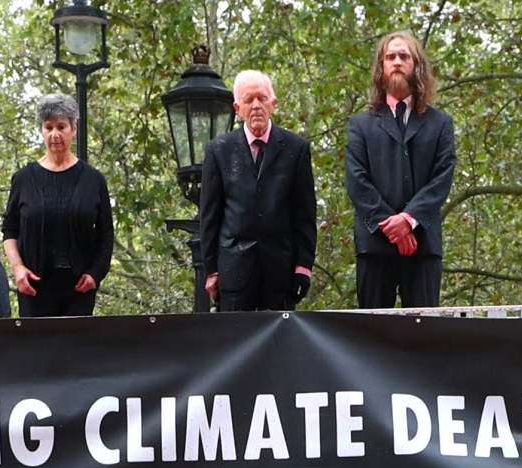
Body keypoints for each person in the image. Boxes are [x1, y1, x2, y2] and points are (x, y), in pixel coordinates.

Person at [344, 30, 456, 309]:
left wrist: (409, 219)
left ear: (416, 66)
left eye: (403, 56)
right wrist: (392, 226)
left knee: (425, 339)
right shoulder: (361, 125)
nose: (396, 61)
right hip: (374, 246)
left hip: (423, 246)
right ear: (380, 67)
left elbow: (442, 178)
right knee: (371, 338)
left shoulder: (440, 123)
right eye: (390, 56)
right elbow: (357, 181)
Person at [195, 70, 317, 312]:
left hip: (281, 274)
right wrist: (211, 270)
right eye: (249, 100)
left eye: (262, 98)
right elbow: (210, 216)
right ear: (237, 108)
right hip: (233, 274)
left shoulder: (296, 149)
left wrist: (303, 266)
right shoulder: (219, 150)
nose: (256, 106)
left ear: (273, 104)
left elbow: (304, 214)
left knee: (280, 347)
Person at [1, 97, 115, 318]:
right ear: (42, 131)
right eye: (49, 127)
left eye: (61, 127)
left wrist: (95, 274)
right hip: (33, 288)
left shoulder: (94, 180)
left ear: (74, 129)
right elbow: (10, 230)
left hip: (79, 289)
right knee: (37, 350)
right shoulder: (24, 179)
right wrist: (17, 268)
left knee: (75, 350)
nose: (55, 134)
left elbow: (106, 233)